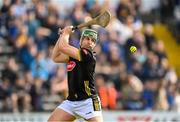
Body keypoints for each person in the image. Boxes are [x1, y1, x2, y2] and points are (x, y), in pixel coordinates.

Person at [48, 26, 103, 122]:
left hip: (88, 101)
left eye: (93, 41)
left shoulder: (87, 55)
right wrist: (62, 36)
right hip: (71, 102)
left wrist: (66, 33)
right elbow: (55, 57)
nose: (90, 42)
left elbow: (63, 47)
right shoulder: (74, 56)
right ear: (81, 40)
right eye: (87, 39)